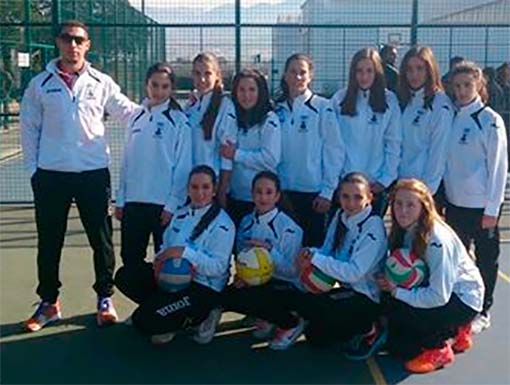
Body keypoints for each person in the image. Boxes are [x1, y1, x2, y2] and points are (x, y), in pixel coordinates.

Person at [20, 20, 137, 331]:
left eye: (79, 40)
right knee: (49, 242)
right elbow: (29, 129)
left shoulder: (101, 82)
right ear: (58, 42)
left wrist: (163, 106)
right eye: (67, 39)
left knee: (101, 240)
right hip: (51, 177)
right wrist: (34, 171)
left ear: (88, 45)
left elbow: (128, 111)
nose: (73, 45)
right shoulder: (40, 85)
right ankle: (48, 304)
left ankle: (104, 299)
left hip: (93, 176)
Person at [115, 165, 235, 345]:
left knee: (143, 322)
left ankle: (202, 316)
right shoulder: (180, 215)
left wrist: (185, 253)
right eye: (194, 187)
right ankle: (162, 312)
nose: (199, 192)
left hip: (203, 287)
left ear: (214, 190)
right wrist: (159, 263)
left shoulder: (224, 223)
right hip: (172, 278)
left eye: (205, 187)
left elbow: (218, 268)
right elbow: (165, 246)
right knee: (125, 276)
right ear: (188, 189)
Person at [377, 179, 484, 374]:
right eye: (398, 203)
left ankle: (439, 348)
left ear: (424, 206)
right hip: (439, 292)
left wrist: (396, 291)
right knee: (395, 334)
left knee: (401, 346)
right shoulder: (405, 229)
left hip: (461, 299)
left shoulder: (436, 240)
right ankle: (458, 332)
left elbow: (438, 296)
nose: (403, 210)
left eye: (410, 204)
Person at [284, 172, 388, 356]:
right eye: (345, 197)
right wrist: (309, 253)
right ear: (339, 197)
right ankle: (349, 325)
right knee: (316, 336)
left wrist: (316, 259)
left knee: (320, 318)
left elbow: (354, 273)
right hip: (347, 290)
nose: (351, 203)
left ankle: (371, 328)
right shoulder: (341, 215)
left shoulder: (373, 227)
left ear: (370, 198)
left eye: (358, 197)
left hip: (367, 297)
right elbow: (326, 250)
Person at [443, 61, 508, 334]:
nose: (461, 91)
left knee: (485, 258)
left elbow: (498, 168)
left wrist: (492, 210)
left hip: (481, 207)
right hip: (454, 204)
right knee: (459, 258)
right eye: (457, 86)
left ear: (478, 85)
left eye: (467, 85)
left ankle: (484, 309)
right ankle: (464, 302)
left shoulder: (490, 120)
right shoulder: (451, 116)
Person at [115, 62, 192, 271]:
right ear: (146, 85)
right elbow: (127, 161)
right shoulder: (136, 117)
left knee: (166, 265)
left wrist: (171, 205)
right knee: (131, 263)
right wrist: (121, 199)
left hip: (162, 207)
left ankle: (161, 304)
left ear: (171, 89)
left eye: (165, 86)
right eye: (154, 85)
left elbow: (183, 167)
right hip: (133, 204)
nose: (159, 91)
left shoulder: (179, 122)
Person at [222, 171, 305, 350]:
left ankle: (291, 322)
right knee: (228, 296)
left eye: (269, 192)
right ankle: (268, 316)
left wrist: (269, 251)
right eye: (258, 192)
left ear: (277, 196)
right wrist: (243, 277)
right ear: (252, 195)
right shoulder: (245, 222)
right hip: (258, 282)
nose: (263, 197)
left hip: (286, 284)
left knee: (258, 296)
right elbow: (242, 258)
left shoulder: (290, 228)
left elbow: (292, 271)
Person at [275, 53, 344, 247]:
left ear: (310, 76)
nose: (297, 77)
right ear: (285, 75)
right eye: (293, 72)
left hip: (313, 195)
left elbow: (334, 151)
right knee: (286, 250)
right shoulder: (276, 109)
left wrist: (327, 192)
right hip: (283, 193)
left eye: (302, 72)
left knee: (311, 254)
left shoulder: (323, 107)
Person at [331, 48, 402, 216]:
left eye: (369, 71)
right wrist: (337, 180)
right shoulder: (339, 99)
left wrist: (384, 180)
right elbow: (332, 144)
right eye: (359, 71)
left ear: (377, 72)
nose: (364, 76)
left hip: (374, 187)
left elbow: (393, 143)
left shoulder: (390, 100)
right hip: (345, 186)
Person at [220, 69, 281, 226]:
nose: (246, 95)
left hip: (261, 202)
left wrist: (236, 154)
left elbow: (270, 159)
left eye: (252, 89)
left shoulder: (269, 119)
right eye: (241, 89)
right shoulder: (232, 116)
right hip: (235, 197)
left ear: (261, 92)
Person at [397, 46, 453, 204]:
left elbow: (439, 152)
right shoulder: (405, 101)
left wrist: (427, 191)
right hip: (403, 187)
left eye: (420, 68)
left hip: (424, 192)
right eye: (409, 69)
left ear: (430, 70)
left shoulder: (440, 104)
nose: (414, 74)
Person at [184, 52, 237, 207]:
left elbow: (227, 156)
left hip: (210, 189)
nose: (202, 79)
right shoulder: (190, 106)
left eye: (207, 73)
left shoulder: (225, 106)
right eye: (197, 73)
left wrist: (221, 192)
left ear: (217, 76)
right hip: (191, 186)